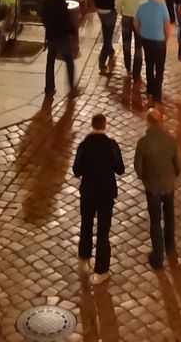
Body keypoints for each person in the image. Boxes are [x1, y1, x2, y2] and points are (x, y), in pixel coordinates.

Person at [72, 112, 124, 285]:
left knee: (86, 224)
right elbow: (120, 169)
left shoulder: (84, 145)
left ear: (92, 125)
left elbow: (76, 170)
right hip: (106, 193)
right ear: (105, 125)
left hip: (88, 192)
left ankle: (84, 256)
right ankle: (101, 270)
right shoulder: (111, 145)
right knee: (103, 231)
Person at [133, 106, 181, 269]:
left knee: (155, 221)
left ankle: (158, 257)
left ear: (148, 122)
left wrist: (146, 178)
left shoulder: (143, 143)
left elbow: (138, 169)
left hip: (152, 188)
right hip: (168, 185)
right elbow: (179, 166)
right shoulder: (170, 140)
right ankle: (170, 247)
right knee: (169, 217)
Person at [134, 0, 171, 103]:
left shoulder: (141, 6)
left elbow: (135, 22)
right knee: (159, 67)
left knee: (149, 64)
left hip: (146, 40)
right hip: (159, 40)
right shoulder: (162, 6)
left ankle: (150, 88)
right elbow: (167, 24)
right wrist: (166, 39)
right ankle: (157, 94)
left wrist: (141, 32)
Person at [40, 0, 76, 96]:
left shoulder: (46, 1)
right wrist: (72, 30)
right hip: (61, 37)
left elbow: (43, 18)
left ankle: (49, 87)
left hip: (51, 36)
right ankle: (72, 86)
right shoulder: (61, 2)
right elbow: (66, 20)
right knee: (69, 61)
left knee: (50, 62)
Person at [117, 0, 146, 84]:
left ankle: (128, 67)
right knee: (139, 46)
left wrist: (121, 12)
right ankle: (137, 71)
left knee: (127, 43)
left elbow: (118, 3)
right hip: (140, 19)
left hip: (127, 17)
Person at [93, 0, 118, 73]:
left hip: (99, 9)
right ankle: (102, 62)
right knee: (108, 37)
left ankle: (111, 52)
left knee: (106, 31)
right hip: (110, 10)